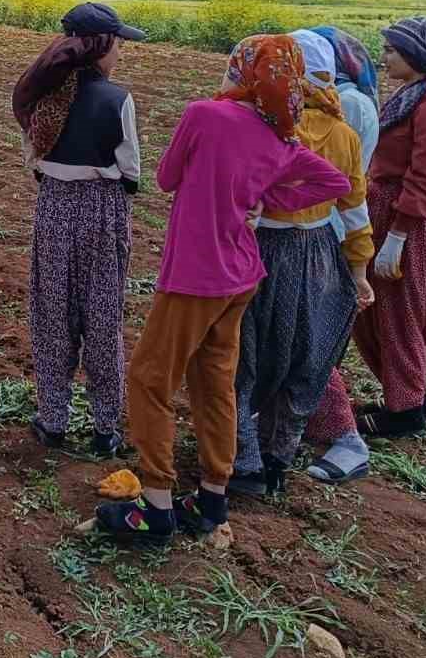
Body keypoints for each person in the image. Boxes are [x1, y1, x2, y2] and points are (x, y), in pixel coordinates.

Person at [93, 36, 350, 545]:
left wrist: (243, 190)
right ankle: (211, 497)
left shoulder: (205, 116)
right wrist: (265, 199)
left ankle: (157, 504)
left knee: (149, 379)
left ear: (244, 71)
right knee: (216, 383)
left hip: (195, 275)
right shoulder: (282, 137)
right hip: (240, 277)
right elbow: (335, 184)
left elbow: (165, 178)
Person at [229, 30, 375, 497]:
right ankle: (279, 458)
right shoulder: (343, 134)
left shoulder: (264, 126)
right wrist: (359, 270)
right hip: (317, 254)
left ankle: (244, 459)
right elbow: (354, 207)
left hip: (261, 251)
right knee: (305, 359)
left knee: (243, 358)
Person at [13, 3, 146, 459]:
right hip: (102, 210)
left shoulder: (41, 97)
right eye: (119, 43)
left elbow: (32, 157)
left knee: (52, 312)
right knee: (104, 316)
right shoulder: (118, 99)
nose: (122, 52)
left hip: (53, 205)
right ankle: (107, 427)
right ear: (101, 45)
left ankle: (52, 419)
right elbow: (130, 171)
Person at [348, 17, 426, 441]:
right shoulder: (413, 96)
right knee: (374, 314)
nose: (384, 58)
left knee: (397, 314)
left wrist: (396, 239)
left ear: (419, 58)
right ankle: (408, 395)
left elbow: (425, 178)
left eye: (392, 52)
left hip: (402, 218)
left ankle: (404, 412)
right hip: (383, 209)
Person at [304, 26, 383, 483]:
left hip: (323, 235)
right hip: (322, 233)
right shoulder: (345, 100)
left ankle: (345, 438)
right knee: (304, 337)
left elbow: (338, 183)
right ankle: (299, 424)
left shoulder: (345, 106)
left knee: (313, 340)